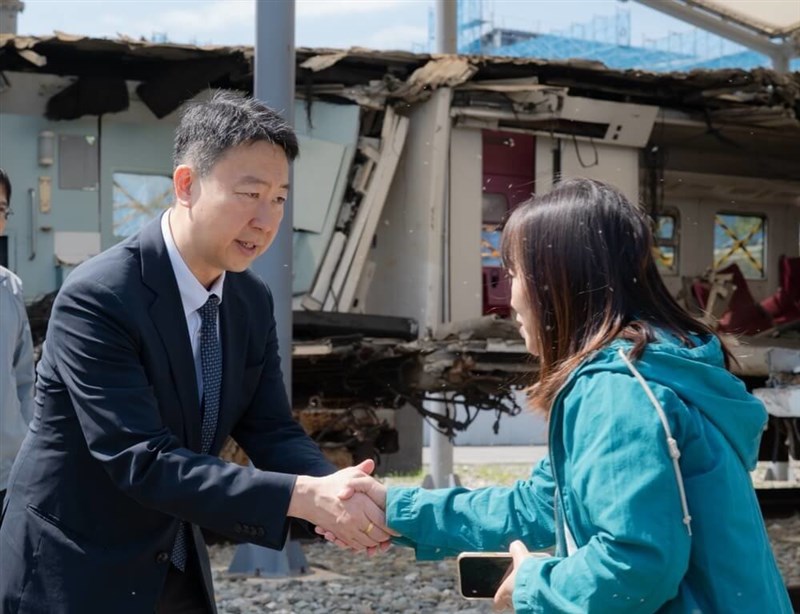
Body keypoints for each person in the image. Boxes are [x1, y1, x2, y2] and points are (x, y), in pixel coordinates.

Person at [0, 92, 391, 614]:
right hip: (73, 567)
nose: (266, 219)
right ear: (186, 185)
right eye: (250, 193)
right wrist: (301, 496)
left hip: (174, 561)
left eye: (279, 198)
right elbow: (141, 457)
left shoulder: (249, 299)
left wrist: (337, 491)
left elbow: (270, 427)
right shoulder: (100, 296)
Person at [330, 178, 792, 612]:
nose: (509, 298)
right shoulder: (654, 368)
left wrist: (532, 585)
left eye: (514, 274)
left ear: (557, 281)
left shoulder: (616, 391)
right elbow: (537, 504)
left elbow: (636, 564)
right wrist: (396, 508)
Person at [0, 168, 35, 512]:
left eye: (0, 209)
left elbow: (24, 376)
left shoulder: (10, 287)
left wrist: (26, 442)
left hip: (7, 474)